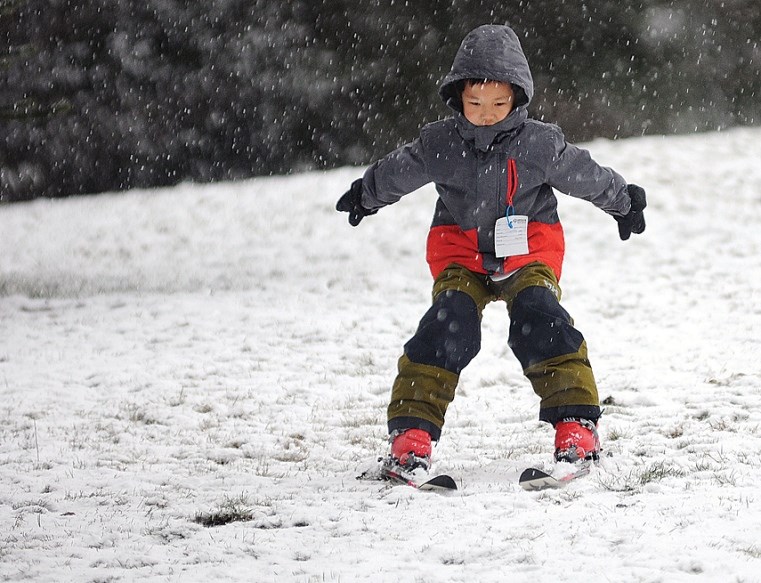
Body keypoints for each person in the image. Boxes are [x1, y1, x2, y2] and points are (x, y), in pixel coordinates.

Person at [337, 24, 646, 478]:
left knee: (539, 318)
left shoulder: (539, 143)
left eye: (500, 104)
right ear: (458, 96)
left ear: (518, 99)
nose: (487, 113)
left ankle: (577, 428)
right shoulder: (440, 143)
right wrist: (366, 194)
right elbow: (400, 170)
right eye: (475, 103)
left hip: (528, 250)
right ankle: (410, 439)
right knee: (449, 323)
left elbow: (585, 173)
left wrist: (623, 202)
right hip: (460, 250)